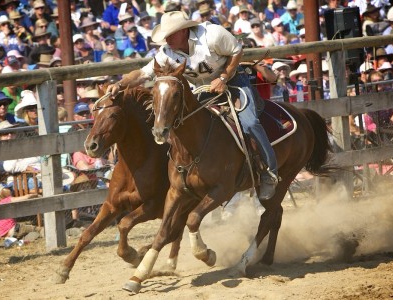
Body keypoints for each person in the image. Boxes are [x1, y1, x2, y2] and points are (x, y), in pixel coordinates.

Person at [106, 11, 280, 199]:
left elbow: (237, 52)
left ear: (184, 31)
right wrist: (120, 84)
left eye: (171, 34)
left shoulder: (212, 35)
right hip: (202, 90)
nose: (167, 39)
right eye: (165, 35)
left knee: (249, 122)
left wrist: (223, 77)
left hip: (234, 81)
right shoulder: (167, 53)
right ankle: (194, 174)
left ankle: (269, 172)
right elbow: (142, 74)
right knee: (185, 125)